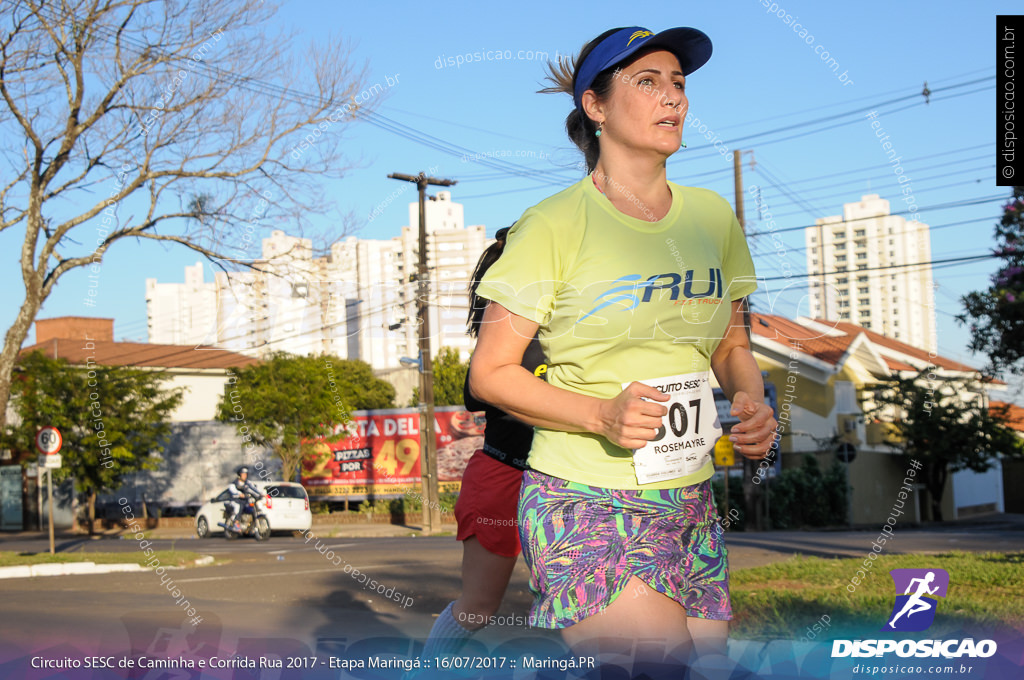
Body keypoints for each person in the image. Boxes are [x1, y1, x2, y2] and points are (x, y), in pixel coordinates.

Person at [468, 26, 778, 673]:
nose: (673, 97)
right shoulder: (552, 225)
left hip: (689, 496)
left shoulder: (712, 218)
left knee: (706, 669)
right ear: (595, 105)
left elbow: (728, 341)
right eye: (647, 81)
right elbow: (491, 373)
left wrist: (750, 398)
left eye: (679, 83)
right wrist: (600, 415)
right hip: (585, 493)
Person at [418, 227, 546, 659]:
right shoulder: (505, 326)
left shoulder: (575, 326)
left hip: (565, 476)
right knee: (477, 609)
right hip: (503, 475)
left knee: (584, 602)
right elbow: (477, 392)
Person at [224, 465, 261, 530]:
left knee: (251, 507)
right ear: (239, 475)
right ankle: (236, 523)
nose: (245, 476)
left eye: (246, 474)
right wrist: (239, 494)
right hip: (235, 500)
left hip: (245, 501)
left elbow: (254, 489)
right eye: (243, 474)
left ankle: (250, 523)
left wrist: (261, 494)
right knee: (238, 507)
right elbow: (233, 490)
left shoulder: (248, 483)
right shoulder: (234, 483)